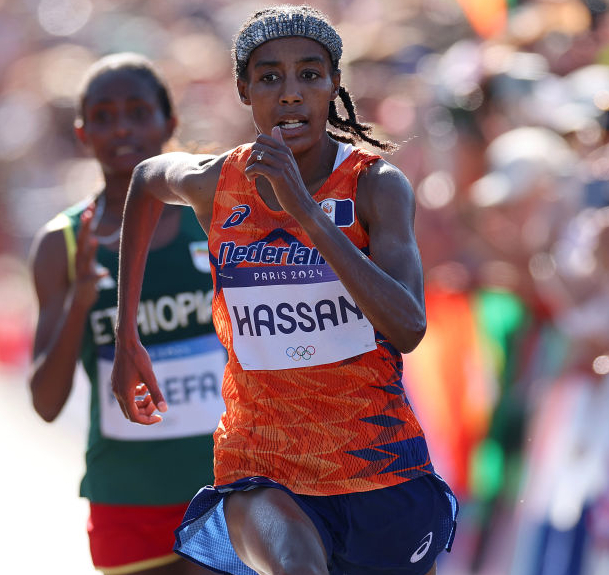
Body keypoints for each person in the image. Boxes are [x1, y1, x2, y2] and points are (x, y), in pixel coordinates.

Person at [109, 6, 457, 575]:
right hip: (263, 464)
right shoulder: (218, 182)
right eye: (269, 77)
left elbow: (408, 326)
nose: (291, 92)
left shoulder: (375, 186)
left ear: (333, 86)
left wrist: (307, 213)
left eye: (309, 75)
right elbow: (148, 178)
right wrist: (128, 339)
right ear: (244, 90)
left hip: (378, 465)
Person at [27, 52, 223, 575]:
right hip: (127, 500)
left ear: (169, 122)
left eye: (138, 112)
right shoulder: (63, 245)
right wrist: (80, 302)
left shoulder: (215, 220)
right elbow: (46, 403)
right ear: (82, 132)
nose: (121, 129)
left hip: (229, 485)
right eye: (104, 117)